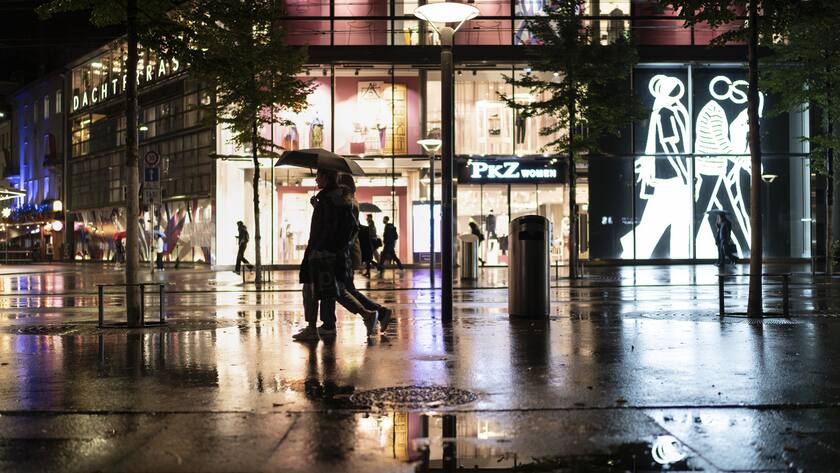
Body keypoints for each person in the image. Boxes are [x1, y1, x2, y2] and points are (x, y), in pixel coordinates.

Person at [293, 168, 378, 341]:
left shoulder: (328, 199)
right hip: (334, 253)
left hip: (321, 251)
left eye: (318, 175)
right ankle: (367, 315)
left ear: (326, 176)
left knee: (312, 288)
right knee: (333, 291)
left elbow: (325, 227)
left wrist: (318, 248)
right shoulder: (340, 198)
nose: (316, 179)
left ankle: (312, 328)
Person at [319, 173, 394, 334]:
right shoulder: (350, 202)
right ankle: (378, 314)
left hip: (345, 254)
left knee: (340, 290)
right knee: (343, 290)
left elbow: (343, 230)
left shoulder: (348, 203)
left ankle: (377, 313)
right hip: (347, 253)